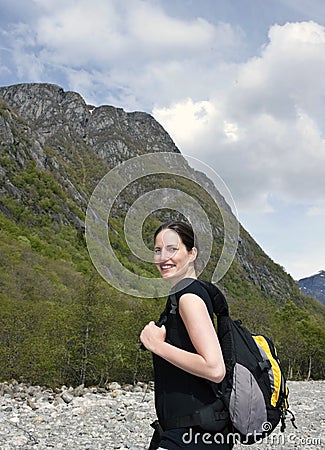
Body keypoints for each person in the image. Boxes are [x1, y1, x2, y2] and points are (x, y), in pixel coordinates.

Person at [140, 220, 233, 450]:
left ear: (192, 254)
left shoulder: (188, 297)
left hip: (195, 434)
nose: (163, 257)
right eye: (158, 250)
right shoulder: (184, 294)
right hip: (189, 431)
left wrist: (157, 345)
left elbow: (214, 368)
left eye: (173, 249)